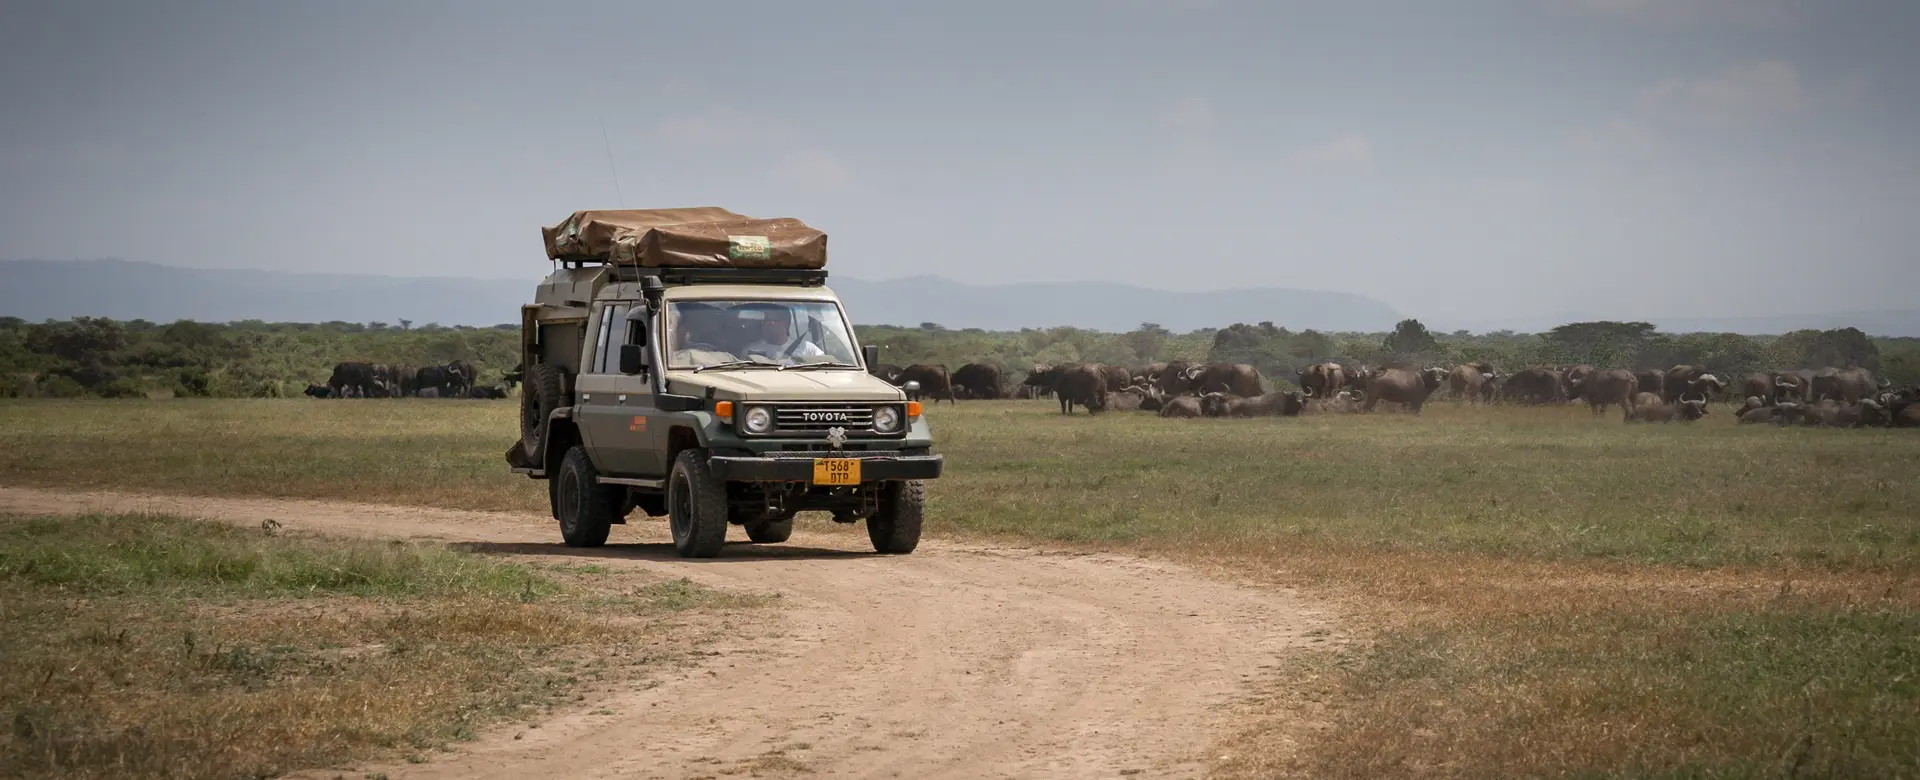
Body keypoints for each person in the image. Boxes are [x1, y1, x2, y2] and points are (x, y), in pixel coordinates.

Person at [740, 309, 825, 360]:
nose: (766, 325)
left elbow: (828, 369)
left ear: (784, 324)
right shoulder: (752, 350)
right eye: (765, 321)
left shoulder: (808, 349)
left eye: (771, 322)